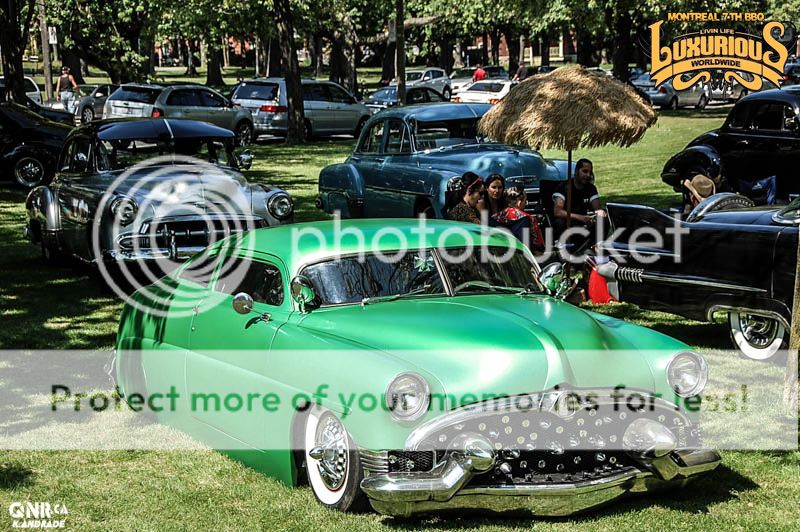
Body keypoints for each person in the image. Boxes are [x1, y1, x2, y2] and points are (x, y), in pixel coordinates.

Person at [552, 158, 607, 247]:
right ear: (577, 171)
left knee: (603, 219)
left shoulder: (590, 188)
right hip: (567, 221)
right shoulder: (564, 187)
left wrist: (599, 211)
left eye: (590, 172)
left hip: (583, 222)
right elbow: (558, 211)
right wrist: (581, 217)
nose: (588, 175)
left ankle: (596, 246)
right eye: (585, 171)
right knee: (559, 222)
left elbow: (596, 207)